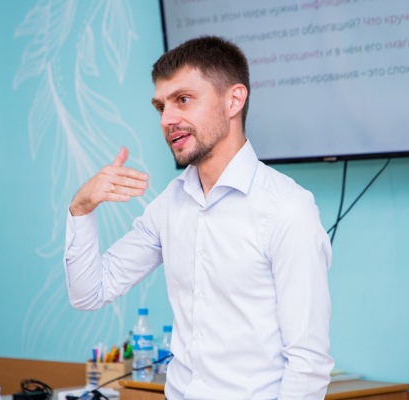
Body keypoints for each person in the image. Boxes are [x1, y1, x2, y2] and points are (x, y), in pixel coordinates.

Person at [64, 36, 333, 399]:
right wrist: (81, 209)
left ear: (233, 100)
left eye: (183, 100)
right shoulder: (168, 205)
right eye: (161, 106)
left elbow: (308, 362)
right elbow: (89, 293)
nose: (167, 119)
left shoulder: (287, 208)